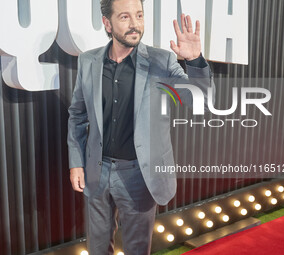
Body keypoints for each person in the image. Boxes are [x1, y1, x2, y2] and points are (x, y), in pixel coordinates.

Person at [67, 0, 215, 254]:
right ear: (107, 23)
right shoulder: (88, 61)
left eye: (139, 15)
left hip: (139, 175)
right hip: (97, 172)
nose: (135, 24)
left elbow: (198, 99)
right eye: (125, 17)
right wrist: (76, 162)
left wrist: (195, 62)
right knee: (97, 248)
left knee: (137, 249)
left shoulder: (161, 61)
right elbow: (77, 116)